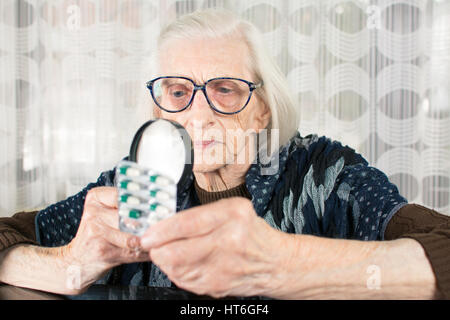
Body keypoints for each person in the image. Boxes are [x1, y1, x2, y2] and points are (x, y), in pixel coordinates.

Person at [0, 9, 449, 299]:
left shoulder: (327, 175)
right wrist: (69, 267)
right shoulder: (134, 184)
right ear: (159, 108)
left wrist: (279, 263)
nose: (198, 114)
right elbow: (8, 235)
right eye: (178, 91)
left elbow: (443, 249)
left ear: (262, 111)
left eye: (225, 90)